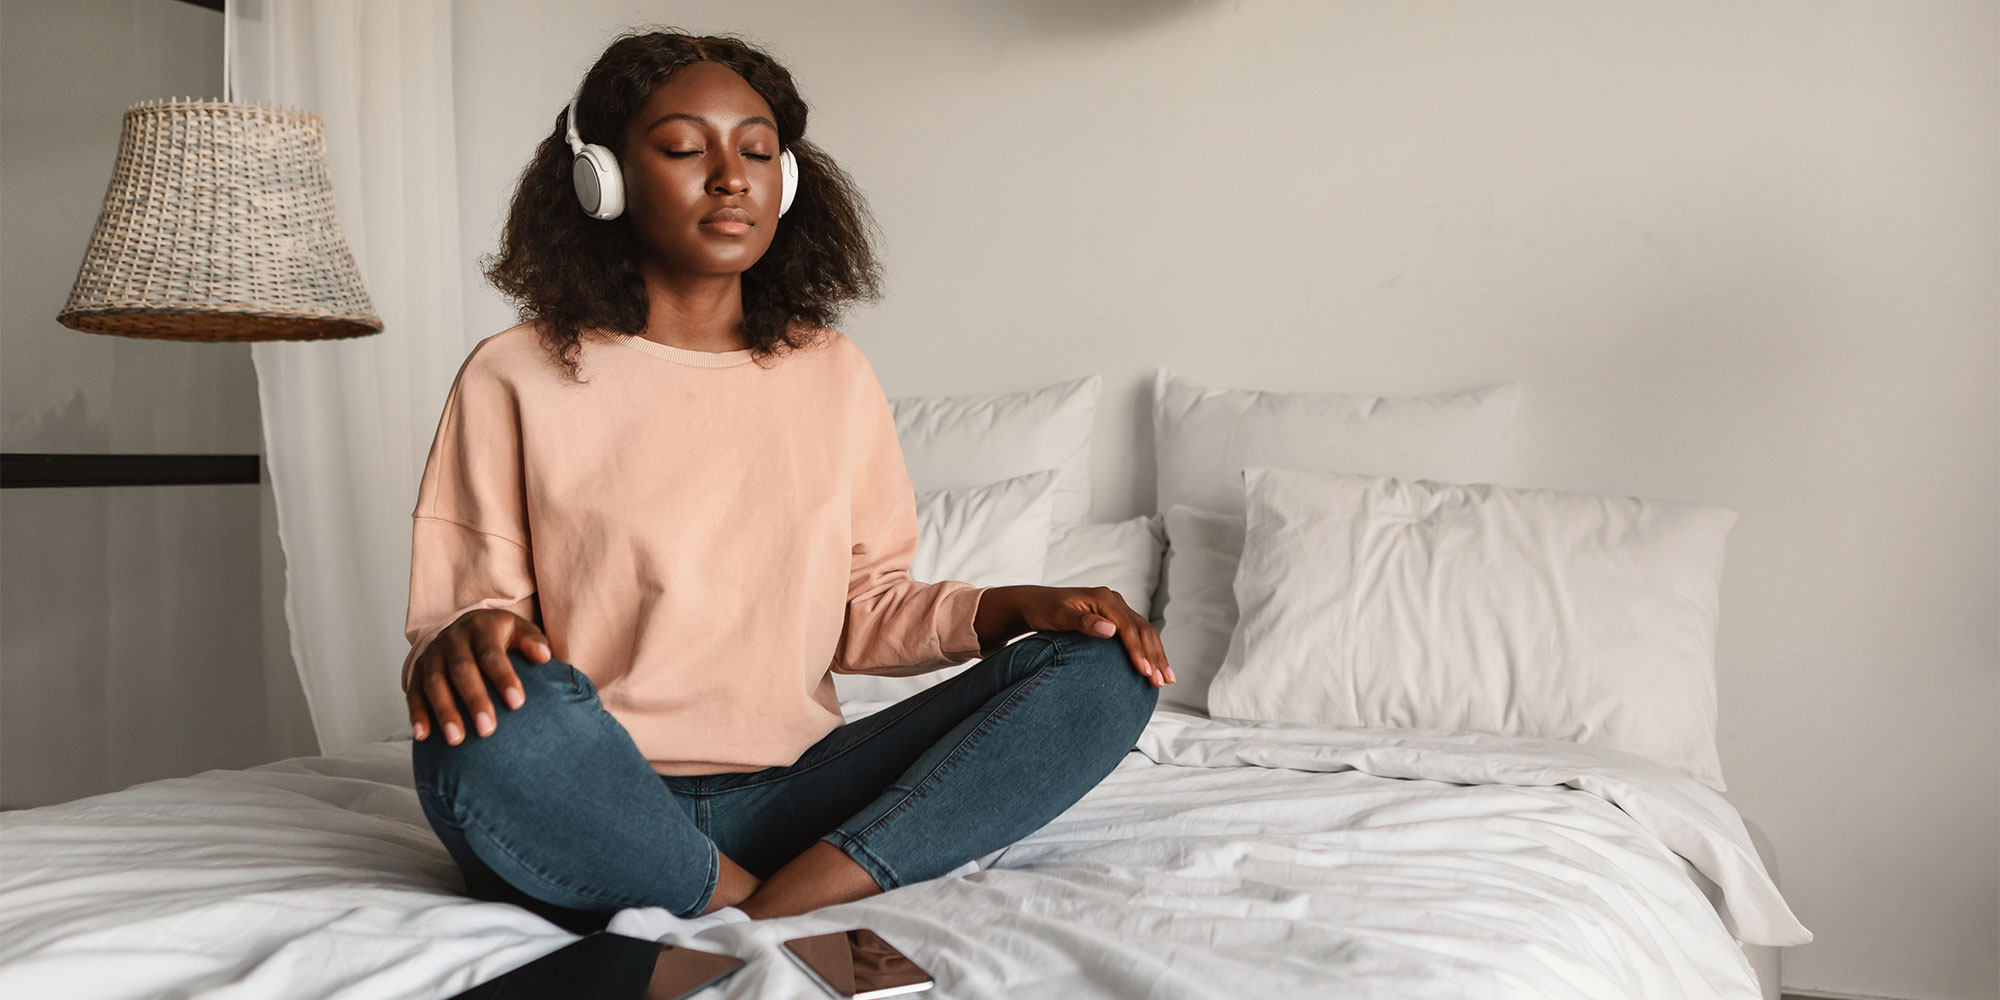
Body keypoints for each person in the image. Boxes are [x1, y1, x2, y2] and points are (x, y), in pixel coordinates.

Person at [402, 29, 1174, 935]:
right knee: (488, 728)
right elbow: (465, 626)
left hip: (796, 797)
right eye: (686, 148)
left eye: (758, 151)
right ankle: (739, 896)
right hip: (598, 786)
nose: (731, 175)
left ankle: (785, 889)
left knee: (1108, 667)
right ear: (601, 178)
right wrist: (465, 637)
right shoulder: (514, 373)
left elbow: (862, 608)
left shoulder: (831, 372)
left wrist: (1009, 607)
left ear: (787, 181)